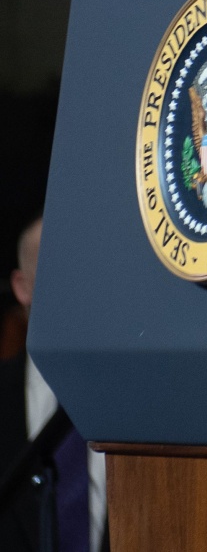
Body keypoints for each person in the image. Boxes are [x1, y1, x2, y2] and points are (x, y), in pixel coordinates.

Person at [3, 219, 102, 552]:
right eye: (57, 264)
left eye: (88, 266)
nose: (79, 284)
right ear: (22, 287)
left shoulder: (140, 400)